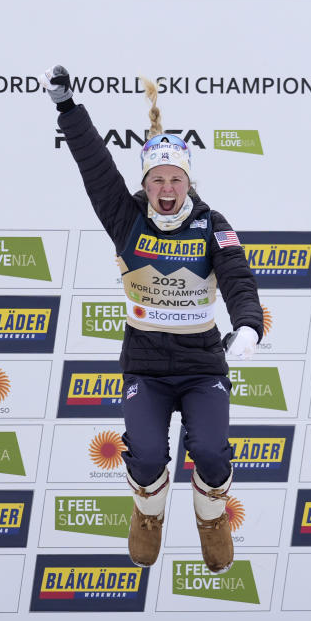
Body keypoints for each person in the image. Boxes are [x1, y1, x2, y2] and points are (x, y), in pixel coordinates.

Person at [42, 65, 263, 573]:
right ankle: (148, 516)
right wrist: (68, 108)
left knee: (210, 451)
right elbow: (96, 167)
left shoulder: (213, 224)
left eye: (176, 179)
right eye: (158, 179)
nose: (167, 188)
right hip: (144, 363)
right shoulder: (127, 218)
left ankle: (211, 520)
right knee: (144, 454)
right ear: (146, 182)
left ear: (189, 181)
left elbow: (237, 277)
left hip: (202, 361)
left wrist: (248, 324)